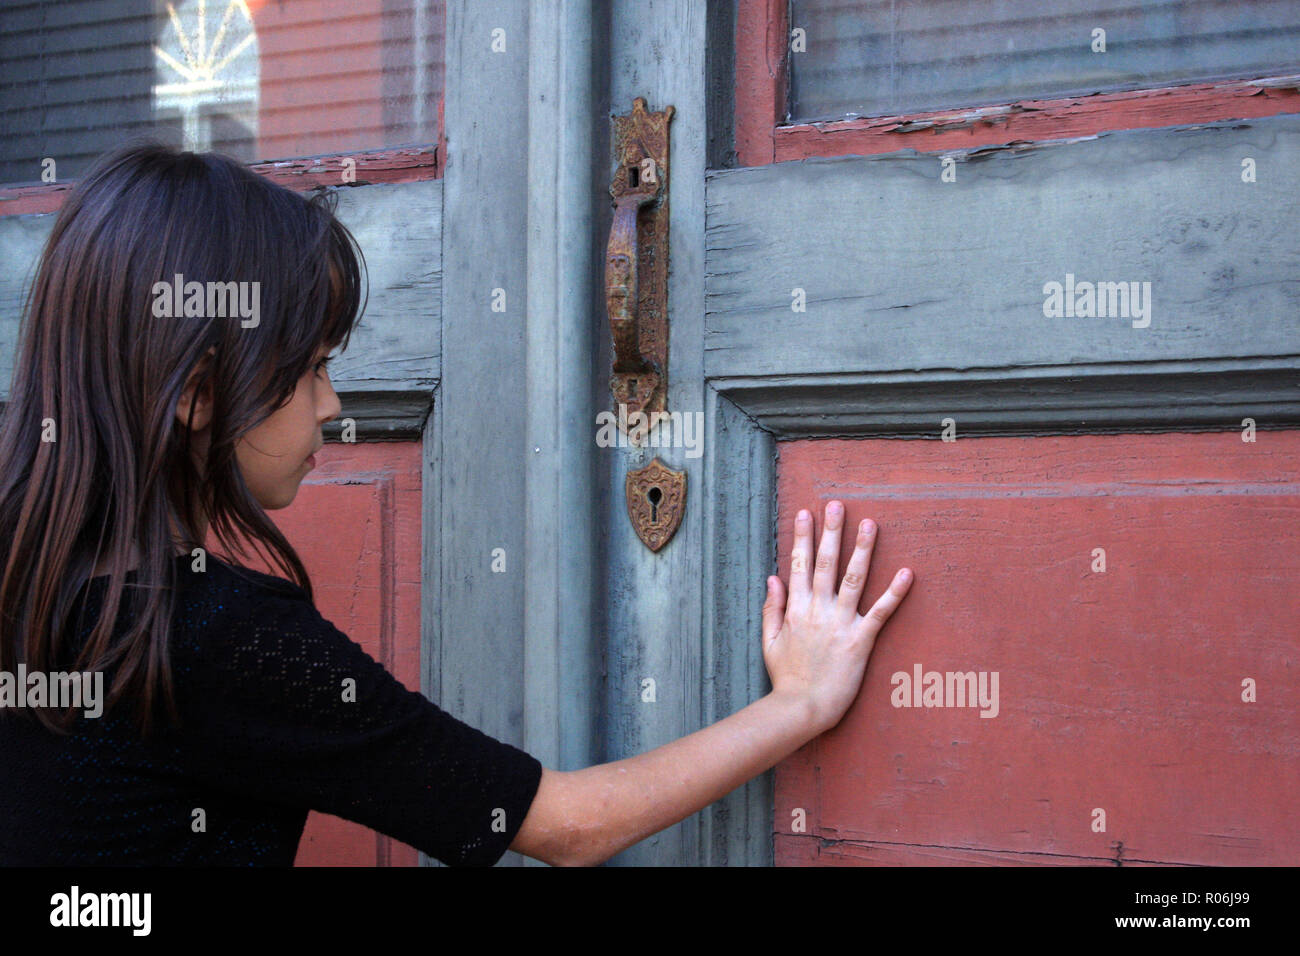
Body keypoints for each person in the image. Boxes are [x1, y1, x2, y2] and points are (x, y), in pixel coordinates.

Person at [0, 142, 914, 867]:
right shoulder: (217, 637)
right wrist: (796, 704)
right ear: (198, 390)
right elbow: (565, 824)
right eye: (313, 369)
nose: (332, 405)